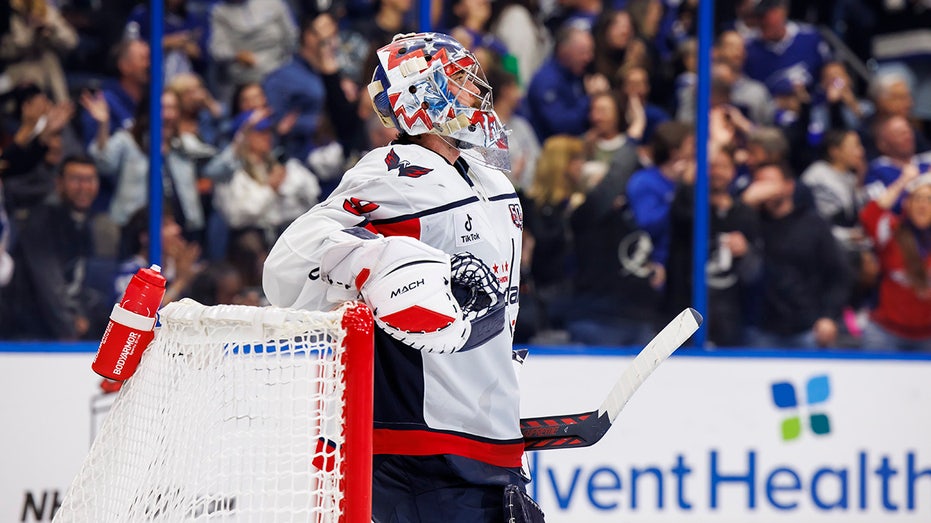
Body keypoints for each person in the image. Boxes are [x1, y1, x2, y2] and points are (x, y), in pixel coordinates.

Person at [262, 33, 543, 521]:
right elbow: (286, 268)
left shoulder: (494, 183)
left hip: (492, 438)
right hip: (420, 446)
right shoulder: (393, 174)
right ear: (423, 97)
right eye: (460, 82)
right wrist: (381, 260)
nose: (477, 93)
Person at [3, 156, 110, 340]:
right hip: (31, 339)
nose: (84, 187)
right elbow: (49, 287)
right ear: (59, 183)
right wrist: (71, 331)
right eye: (76, 179)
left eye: (90, 179)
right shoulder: (40, 222)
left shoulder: (87, 224)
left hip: (64, 334)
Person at [859, 166, 931, 352]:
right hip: (886, 333)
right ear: (907, 203)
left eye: (929, 200)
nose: (923, 205)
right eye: (917, 199)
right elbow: (870, 215)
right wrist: (903, 181)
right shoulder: (891, 230)